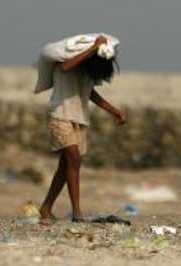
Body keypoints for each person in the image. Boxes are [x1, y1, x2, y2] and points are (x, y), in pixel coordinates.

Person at [39, 35, 126, 222]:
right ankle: (77, 213)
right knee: (74, 159)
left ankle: (46, 207)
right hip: (60, 115)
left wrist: (113, 111)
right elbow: (65, 68)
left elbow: (90, 93)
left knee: (66, 167)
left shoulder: (87, 70)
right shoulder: (66, 63)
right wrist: (93, 48)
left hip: (79, 119)